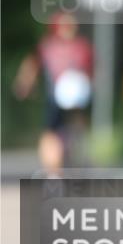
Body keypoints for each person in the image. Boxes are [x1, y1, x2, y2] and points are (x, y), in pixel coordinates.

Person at [13, 11, 94, 174]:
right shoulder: (49, 46)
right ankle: (56, 170)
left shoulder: (80, 47)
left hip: (74, 99)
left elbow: (91, 70)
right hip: (57, 99)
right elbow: (32, 65)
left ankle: (73, 161)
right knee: (53, 134)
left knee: (67, 131)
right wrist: (25, 83)